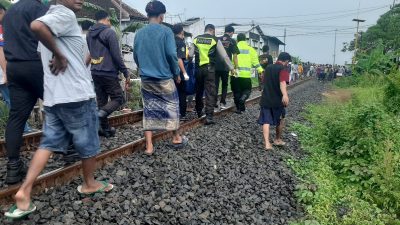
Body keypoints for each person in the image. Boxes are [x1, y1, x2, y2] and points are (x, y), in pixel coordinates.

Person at [5, 0, 114, 219]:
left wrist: (61, 54)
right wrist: (62, 55)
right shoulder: (63, 15)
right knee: (89, 143)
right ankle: (90, 184)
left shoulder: (52, 19)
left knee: (48, 144)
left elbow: (43, 48)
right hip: (76, 95)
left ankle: (24, 192)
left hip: (54, 97)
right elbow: (37, 26)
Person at [134, 0, 188, 155]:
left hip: (146, 79)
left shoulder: (139, 33)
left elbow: (136, 56)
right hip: (164, 78)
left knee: (149, 109)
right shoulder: (166, 32)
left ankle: (149, 146)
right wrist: (176, 73)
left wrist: (143, 67)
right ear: (161, 16)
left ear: (147, 15)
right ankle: (176, 137)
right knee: (171, 107)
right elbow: (172, 55)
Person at [2, 0, 48, 185]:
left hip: (14, 67)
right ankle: (70, 151)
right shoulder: (39, 8)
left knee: (17, 117)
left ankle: (13, 167)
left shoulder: (9, 12)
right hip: (36, 65)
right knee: (60, 106)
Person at [86, 10, 130, 138]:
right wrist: (125, 71)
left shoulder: (89, 34)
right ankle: (99, 115)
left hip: (95, 71)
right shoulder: (109, 32)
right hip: (108, 72)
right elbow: (116, 55)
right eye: (109, 20)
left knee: (102, 101)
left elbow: (91, 52)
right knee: (118, 98)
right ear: (107, 19)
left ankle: (104, 129)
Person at [0, 3, 33, 134]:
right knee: (14, 101)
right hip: (4, 72)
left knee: (12, 101)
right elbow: (1, 52)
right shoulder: (2, 29)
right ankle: (24, 129)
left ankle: (21, 128)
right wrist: (6, 72)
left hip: (5, 72)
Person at [193, 24, 234, 125]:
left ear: (205, 30)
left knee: (199, 91)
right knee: (210, 92)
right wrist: (231, 67)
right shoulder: (215, 40)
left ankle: (199, 111)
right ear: (212, 30)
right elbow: (224, 56)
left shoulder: (196, 39)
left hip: (198, 69)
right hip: (209, 69)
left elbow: (190, 54)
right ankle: (209, 117)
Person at [258, 52, 291, 151]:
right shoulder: (283, 69)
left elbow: (263, 81)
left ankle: (267, 144)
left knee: (266, 121)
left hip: (266, 99)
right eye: (287, 62)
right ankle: (277, 139)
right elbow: (282, 82)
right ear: (285, 61)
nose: (287, 64)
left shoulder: (268, 68)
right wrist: (285, 95)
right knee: (280, 120)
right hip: (277, 100)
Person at [232, 33, 263, 114]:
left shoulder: (233, 48)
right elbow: (256, 62)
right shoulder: (251, 49)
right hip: (246, 75)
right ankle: (243, 99)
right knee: (247, 90)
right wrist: (260, 71)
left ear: (237, 40)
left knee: (236, 92)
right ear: (245, 40)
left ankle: (239, 109)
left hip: (235, 74)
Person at [214, 25, 239, 110]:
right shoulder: (232, 41)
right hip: (225, 66)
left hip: (216, 65)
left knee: (216, 84)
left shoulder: (217, 39)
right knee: (225, 84)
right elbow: (235, 55)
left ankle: (214, 103)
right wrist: (235, 67)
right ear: (231, 32)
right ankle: (222, 102)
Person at [172, 24, 190, 121]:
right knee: (182, 92)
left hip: (169, 72)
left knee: (172, 93)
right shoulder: (180, 42)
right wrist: (184, 73)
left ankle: (173, 114)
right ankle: (182, 114)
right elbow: (179, 59)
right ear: (181, 31)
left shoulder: (170, 41)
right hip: (178, 71)